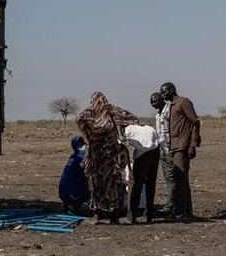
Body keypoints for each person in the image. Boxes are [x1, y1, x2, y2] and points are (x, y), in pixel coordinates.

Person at [75, 93, 138, 224]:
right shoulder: (113, 111)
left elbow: (78, 119)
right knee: (113, 183)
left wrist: (90, 135)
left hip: (96, 155)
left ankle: (97, 215)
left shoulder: (89, 113)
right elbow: (132, 118)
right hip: (111, 155)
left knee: (97, 184)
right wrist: (120, 131)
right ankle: (113, 216)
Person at [162, 82, 201, 222]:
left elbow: (195, 122)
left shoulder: (183, 102)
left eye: (164, 92)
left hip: (182, 146)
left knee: (180, 180)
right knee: (181, 180)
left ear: (171, 90)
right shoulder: (171, 106)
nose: (163, 95)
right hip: (175, 147)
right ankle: (186, 212)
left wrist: (193, 145)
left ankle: (181, 213)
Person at [125, 120, 159, 224]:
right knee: (150, 183)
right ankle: (149, 214)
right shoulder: (149, 129)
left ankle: (132, 215)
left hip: (143, 152)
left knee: (135, 182)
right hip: (155, 149)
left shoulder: (127, 130)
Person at [150, 92, 172, 215]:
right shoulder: (158, 114)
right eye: (151, 102)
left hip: (170, 149)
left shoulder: (169, 110)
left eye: (155, 101)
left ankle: (171, 205)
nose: (153, 104)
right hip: (162, 149)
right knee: (168, 177)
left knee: (171, 178)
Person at [58, 136, 90, 213]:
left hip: (63, 193)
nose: (84, 146)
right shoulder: (81, 158)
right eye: (81, 144)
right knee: (91, 189)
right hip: (69, 193)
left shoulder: (73, 157)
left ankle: (68, 204)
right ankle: (73, 206)